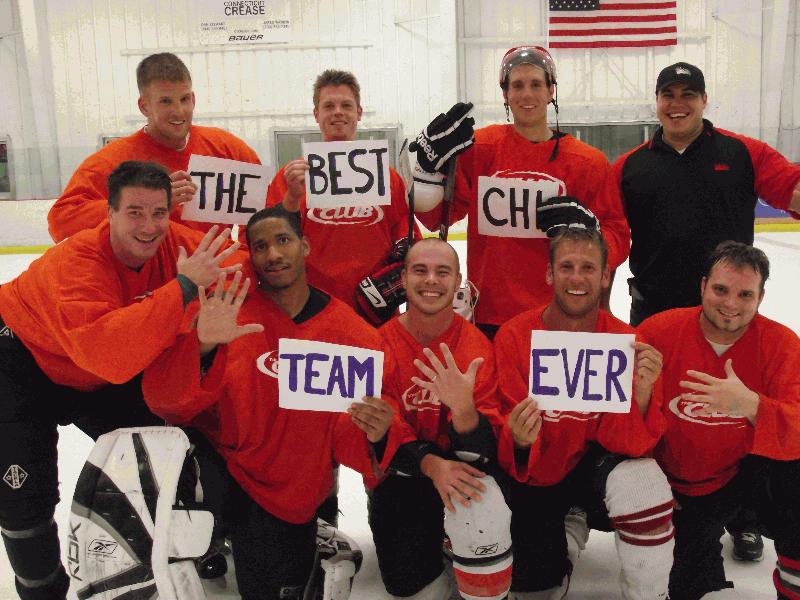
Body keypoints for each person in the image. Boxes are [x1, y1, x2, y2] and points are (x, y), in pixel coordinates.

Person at [0, 161, 241, 600]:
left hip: (93, 374)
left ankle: (189, 544)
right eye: (134, 212)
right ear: (109, 213)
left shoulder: (174, 245)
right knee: (22, 499)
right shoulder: (77, 262)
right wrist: (184, 287)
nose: (149, 227)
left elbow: (240, 263)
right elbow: (108, 356)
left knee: (176, 451)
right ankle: (41, 591)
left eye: (158, 213)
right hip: (21, 362)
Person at [142, 205, 404, 600]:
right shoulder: (225, 312)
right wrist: (202, 346)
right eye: (261, 246)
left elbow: (359, 439)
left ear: (305, 246)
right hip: (223, 473)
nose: (273, 254)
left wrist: (380, 431)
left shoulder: (354, 336)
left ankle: (312, 541)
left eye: (283, 240)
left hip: (289, 494)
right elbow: (167, 404)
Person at [613, 61, 800, 558]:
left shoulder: (742, 153)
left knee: (732, 413)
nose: (678, 104)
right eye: (669, 94)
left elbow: (792, 188)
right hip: (655, 312)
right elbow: (607, 232)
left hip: (728, 313)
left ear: (704, 100)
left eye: (688, 94)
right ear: (656, 102)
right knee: (658, 414)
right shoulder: (630, 165)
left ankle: (742, 517)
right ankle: (660, 501)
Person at [493, 228, 674, 599]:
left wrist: (641, 394)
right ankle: (568, 530)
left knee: (643, 481)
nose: (577, 278)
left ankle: (649, 593)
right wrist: (520, 439)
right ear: (549, 273)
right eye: (567, 267)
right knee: (535, 589)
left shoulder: (629, 344)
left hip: (598, 472)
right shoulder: (514, 336)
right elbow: (510, 451)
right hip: (540, 474)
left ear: (605, 276)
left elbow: (634, 449)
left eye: (588, 268)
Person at [411, 46, 630, 339]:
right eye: (517, 85)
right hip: (490, 313)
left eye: (536, 84)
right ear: (505, 94)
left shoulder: (588, 162)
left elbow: (618, 236)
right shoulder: (480, 149)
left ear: (551, 90)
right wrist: (427, 173)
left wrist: (592, 233)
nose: (527, 95)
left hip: (561, 313)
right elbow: (437, 219)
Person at [638, 241, 800, 600]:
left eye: (745, 294)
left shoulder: (782, 345)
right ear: (703, 286)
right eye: (721, 290)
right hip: (679, 486)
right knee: (687, 586)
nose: (730, 304)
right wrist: (651, 480)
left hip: (743, 477)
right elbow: (628, 418)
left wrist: (753, 405)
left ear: (761, 297)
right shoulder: (657, 332)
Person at [369, 237, 511, 600]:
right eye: (420, 270)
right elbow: (381, 435)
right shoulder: (378, 345)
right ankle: (442, 554)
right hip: (404, 478)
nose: (431, 280)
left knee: (485, 507)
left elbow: (488, 454)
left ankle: (468, 558)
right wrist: (432, 465)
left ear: (458, 281)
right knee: (412, 589)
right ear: (403, 278)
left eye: (442, 272)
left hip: (462, 470)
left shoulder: (477, 347)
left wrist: (463, 410)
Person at [48, 52, 261, 242]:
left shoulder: (228, 149)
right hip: (154, 273)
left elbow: (264, 212)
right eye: (166, 101)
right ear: (144, 106)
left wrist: (243, 257)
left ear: (193, 99)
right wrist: (149, 203)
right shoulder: (114, 160)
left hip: (217, 270)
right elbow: (61, 222)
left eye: (184, 99)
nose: (178, 111)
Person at [266, 69, 420, 318]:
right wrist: (291, 198)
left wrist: (397, 280)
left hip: (374, 311)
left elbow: (409, 239)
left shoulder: (388, 177)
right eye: (329, 106)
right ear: (316, 114)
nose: (338, 111)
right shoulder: (291, 178)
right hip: (311, 309)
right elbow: (271, 241)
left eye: (346, 105)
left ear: (359, 112)